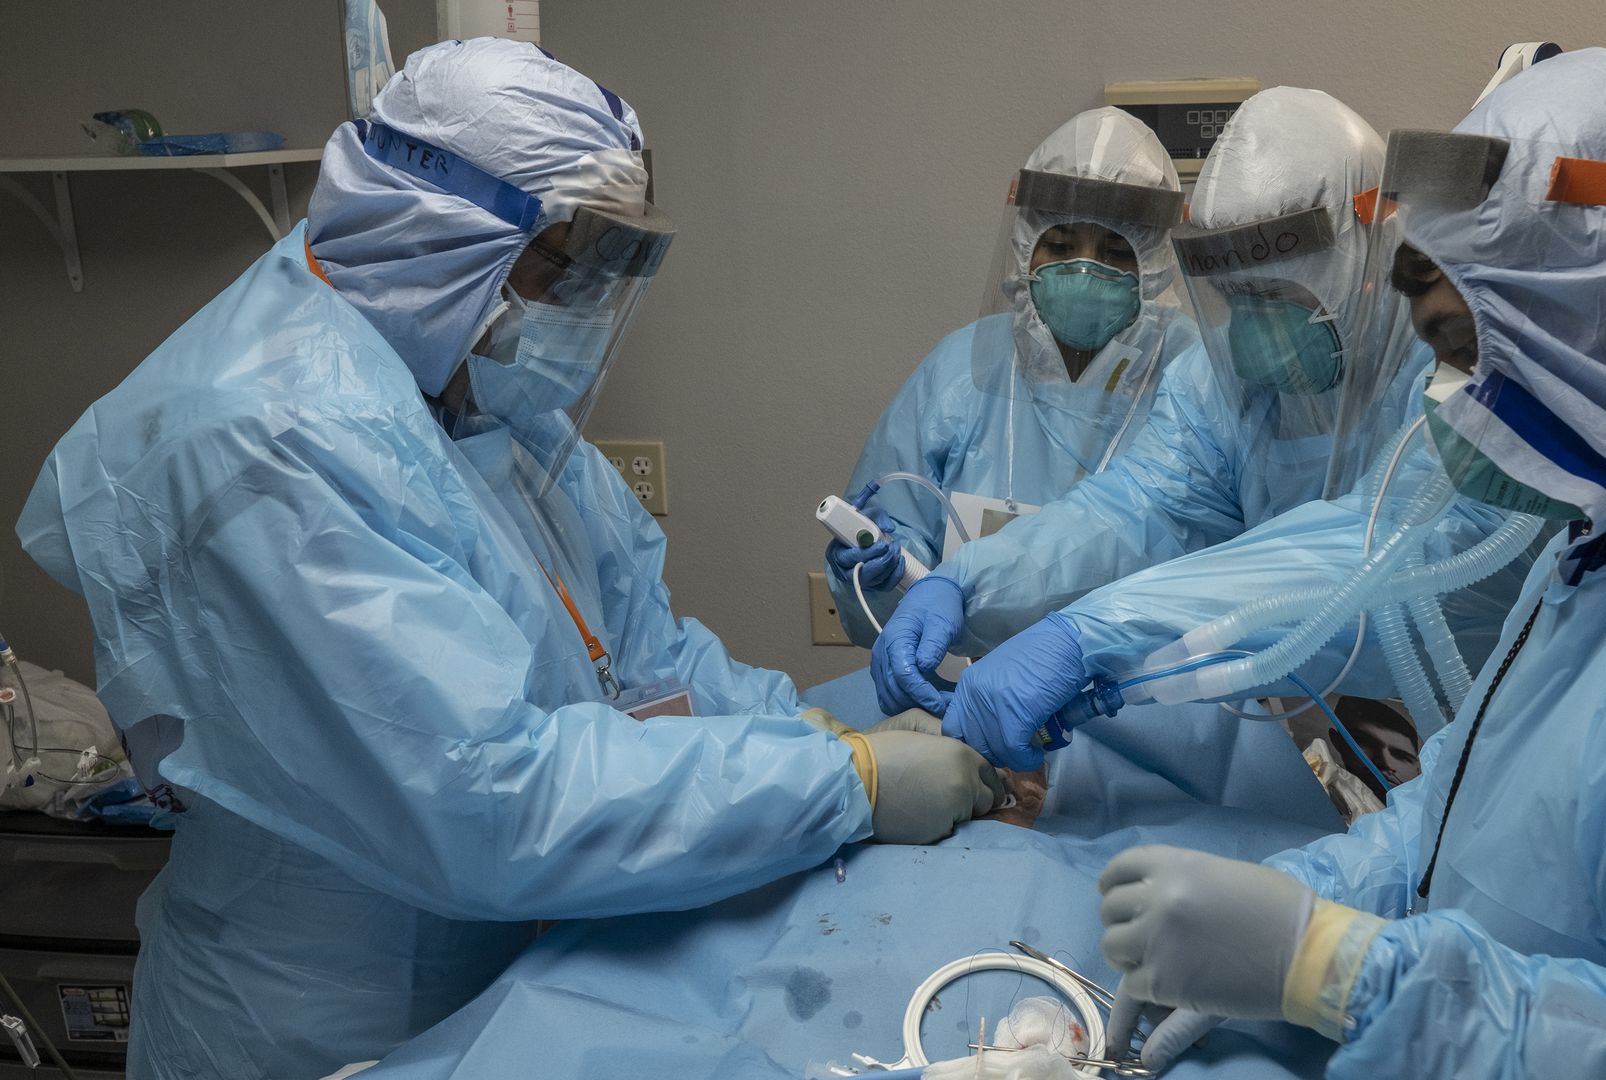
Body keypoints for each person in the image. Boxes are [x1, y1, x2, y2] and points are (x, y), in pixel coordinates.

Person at [15, 40, 1002, 1080]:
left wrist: (809, 732)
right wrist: (840, 782)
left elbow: (649, 662)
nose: (588, 301)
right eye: (572, 262)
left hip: (512, 966)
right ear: (438, 230)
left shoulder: (481, 398)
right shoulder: (266, 441)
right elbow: (482, 797)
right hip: (322, 1018)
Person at [1094, 41, 1606, 1076]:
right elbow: (1461, 813)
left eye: (1463, 349)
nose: (1447, 407)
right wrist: (1311, 904)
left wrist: (1348, 976)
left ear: (1605, 321)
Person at [874, 88, 1534, 770]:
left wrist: (1090, 637)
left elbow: (1383, 558)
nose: (1252, 328)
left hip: (1488, 738)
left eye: (1274, 297)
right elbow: (1136, 509)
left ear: (1364, 266)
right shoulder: (1221, 387)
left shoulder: (1463, 372)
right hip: (1309, 727)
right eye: (1236, 299)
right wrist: (970, 581)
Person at [824, 107, 1196, 645]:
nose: (1085, 270)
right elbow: (898, 535)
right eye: (1061, 246)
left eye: (1116, 250)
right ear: (1025, 246)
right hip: (964, 680)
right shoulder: (962, 369)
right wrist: (879, 576)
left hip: (1145, 686)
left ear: (1154, 261)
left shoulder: (1192, 376)